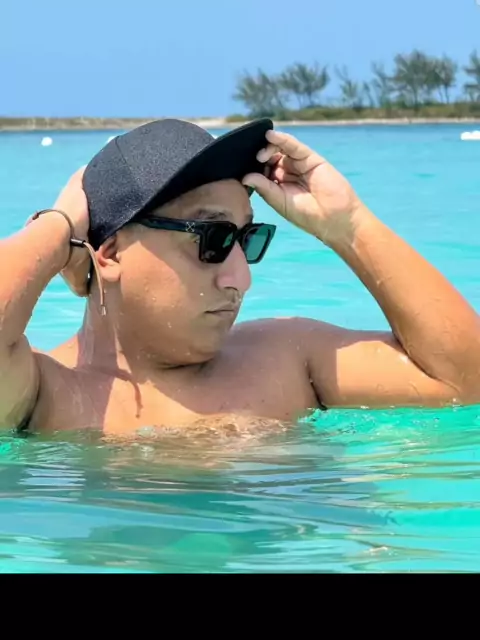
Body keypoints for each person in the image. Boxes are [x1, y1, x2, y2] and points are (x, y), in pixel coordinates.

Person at [1, 117, 479, 437]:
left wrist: (350, 227)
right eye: (213, 239)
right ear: (110, 252)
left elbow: (463, 382)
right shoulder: (47, 394)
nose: (240, 279)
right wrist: (58, 226)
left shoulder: (287, 359)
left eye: (247, 239)